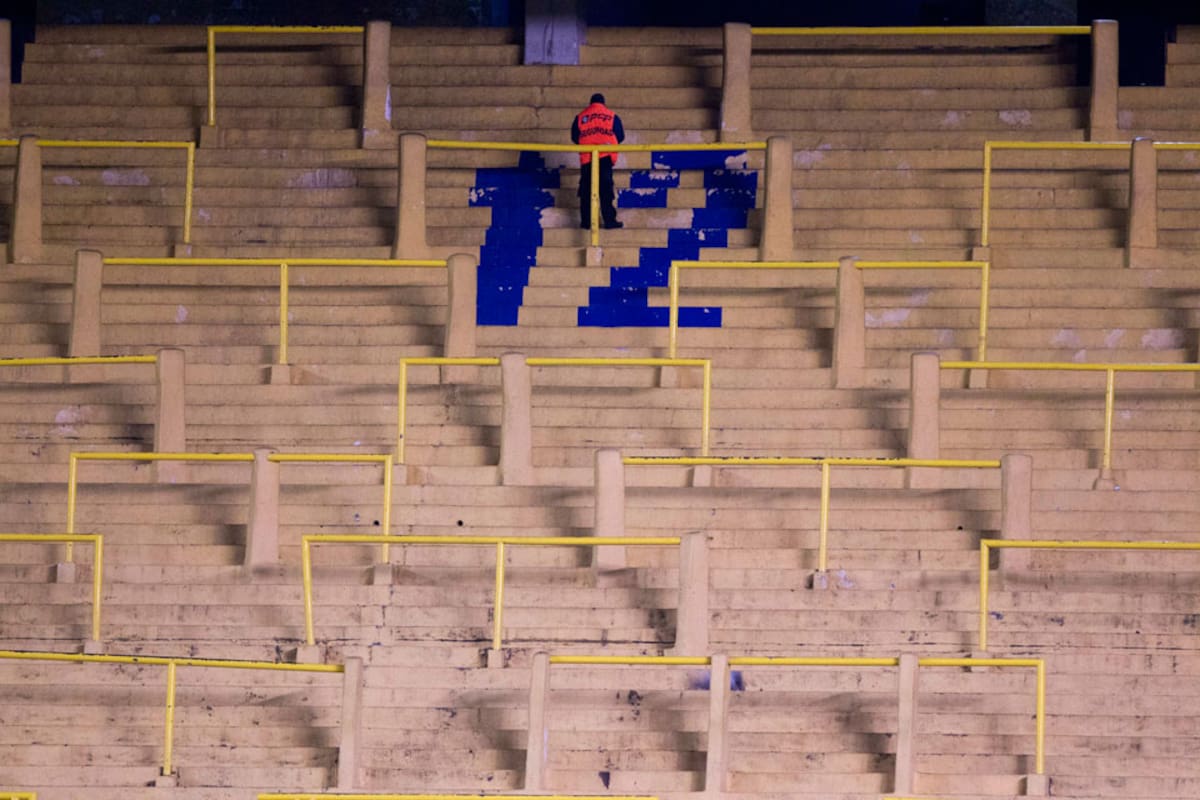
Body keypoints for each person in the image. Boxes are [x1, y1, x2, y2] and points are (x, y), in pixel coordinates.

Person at [571, 92, 624, 229]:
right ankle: (609, 221)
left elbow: (575, 137)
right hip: (605, 156)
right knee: (605, 190)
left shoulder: (581, 116)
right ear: (603, 103)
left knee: (586, 190)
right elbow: (620, 135)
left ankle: (586, 222)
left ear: (591, 103)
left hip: (588, 158)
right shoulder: (611, 116)